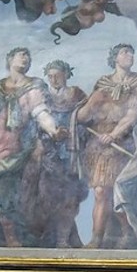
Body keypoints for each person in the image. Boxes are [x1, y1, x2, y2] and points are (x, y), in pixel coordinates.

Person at [0, 47, 66, 247]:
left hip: (7, 147)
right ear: (10, 60)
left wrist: (54, 131)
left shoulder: (33, 87)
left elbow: (40, 112)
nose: (25, 58)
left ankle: (11, 239)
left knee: (1, 192)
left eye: (28, 55)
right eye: (21, 55)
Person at [74, 43, 137, 249]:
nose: (130, 56)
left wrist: (115, 134)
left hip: (126, 143)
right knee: (100, 191)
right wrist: (91, 103)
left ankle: (129, 234)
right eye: (125, 52)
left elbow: (134, 113)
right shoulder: (103, 83)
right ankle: (97, 238)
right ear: (114, 58)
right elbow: (83, 117)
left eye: (132, 53)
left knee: (122, 191)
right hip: (99, 143)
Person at [32, 60, 88, 247]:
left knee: (70, 199)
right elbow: (36, 124)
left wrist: (74, 133)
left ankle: (63, 240)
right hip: (49, 154)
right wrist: (45, 140)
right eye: (50, 76)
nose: (54, 79)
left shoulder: (77, 94)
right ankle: (52, 238)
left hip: (72, 154)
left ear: (66, 74)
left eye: (58, 74)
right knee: (47, 198)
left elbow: (88, 120)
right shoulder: (43, 97)